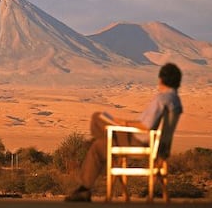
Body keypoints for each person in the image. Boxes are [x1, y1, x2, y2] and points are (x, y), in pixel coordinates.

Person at [65, 63, 183, 202]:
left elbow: (146, 126)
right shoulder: (175, 100)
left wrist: (123, 123)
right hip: (156, 144)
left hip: (139, 140)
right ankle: (84, 189)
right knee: (98, 146)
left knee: (97, 119)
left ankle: (84, 188)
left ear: (161, 79)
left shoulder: (161, 99)